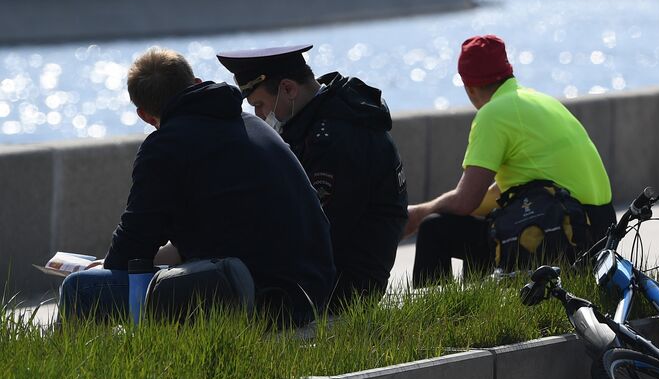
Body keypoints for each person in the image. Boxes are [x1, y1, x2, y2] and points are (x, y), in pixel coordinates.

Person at [58, 48, 336, 326]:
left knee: (79, 288)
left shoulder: (165, 147)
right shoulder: (252, 124)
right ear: (198, 83)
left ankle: (87, 368)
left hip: (259, 301)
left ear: (144, 115)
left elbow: (134, 245)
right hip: (309, 293)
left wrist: (106, 265)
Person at [402, 35, 614, 283]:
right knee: (485, 226)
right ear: (507, 71)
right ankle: (481, 303)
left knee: (435, 228)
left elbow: (465, 201)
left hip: (568, 234)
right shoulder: (540, 100)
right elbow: (497, 194)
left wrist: (418, 214)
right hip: (599, 232)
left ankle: (439, 314)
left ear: (468, 86)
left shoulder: (493, 113)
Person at [216, 44, 408, 309]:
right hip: (325, 276)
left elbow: (315, 232)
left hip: (339, 290)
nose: (259, 115)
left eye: (259, 104)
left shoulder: (336, 140)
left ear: (288, 89)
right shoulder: (320, 118)